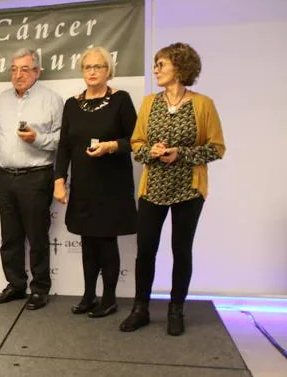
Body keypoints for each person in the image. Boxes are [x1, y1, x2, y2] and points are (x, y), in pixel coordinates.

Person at [119, 43, 226, 336]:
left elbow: (217, 149)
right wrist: (150, 151)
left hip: (188, 190)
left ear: (179, 68)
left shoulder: (203, 104)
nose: (156, 70)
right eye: (156, 64)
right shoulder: (148, 103)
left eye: (161, 64)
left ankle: (176, 309)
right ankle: (140, 309)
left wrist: (182, 154)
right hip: (153, 186)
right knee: (146, 250)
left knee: (181, 250)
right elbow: (136, 145)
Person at [54, 47, 137, 318]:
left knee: (105, 241)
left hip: (112, 185)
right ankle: (89, 295)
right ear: (82, 71)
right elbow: (64, 146)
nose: (92, 72)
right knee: (87, 241)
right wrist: (59, 180)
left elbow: (136, 141)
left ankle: (109, 298)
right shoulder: (72, 104)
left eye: (98, 67)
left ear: (108, 71)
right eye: (87, 67)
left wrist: (111, 146)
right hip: (84, 184)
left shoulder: (121, 100)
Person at [0, 48, 63, 310]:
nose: (18, 75)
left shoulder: (52, 99)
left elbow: (62, 141)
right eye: (14, 69)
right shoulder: (2, 99)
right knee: (10, 236)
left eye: (24, 69)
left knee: (36, 236)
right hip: (6, 176)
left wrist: (38, 139)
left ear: (37, 71)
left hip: (36, 176)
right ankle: (16, 284)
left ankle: (40, 288)